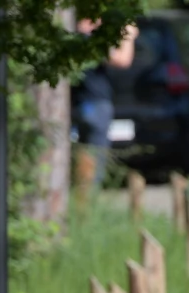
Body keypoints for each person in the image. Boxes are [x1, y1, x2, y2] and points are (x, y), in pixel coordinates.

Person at [71, 18, 137, 187]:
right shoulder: (89, 41)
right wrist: (129, 36)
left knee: (81, 155)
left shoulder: (72, 38)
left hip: (76, 105)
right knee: (95, 158)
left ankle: (80, 191)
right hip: (95, 104)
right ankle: (87, 196)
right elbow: (122, 60)